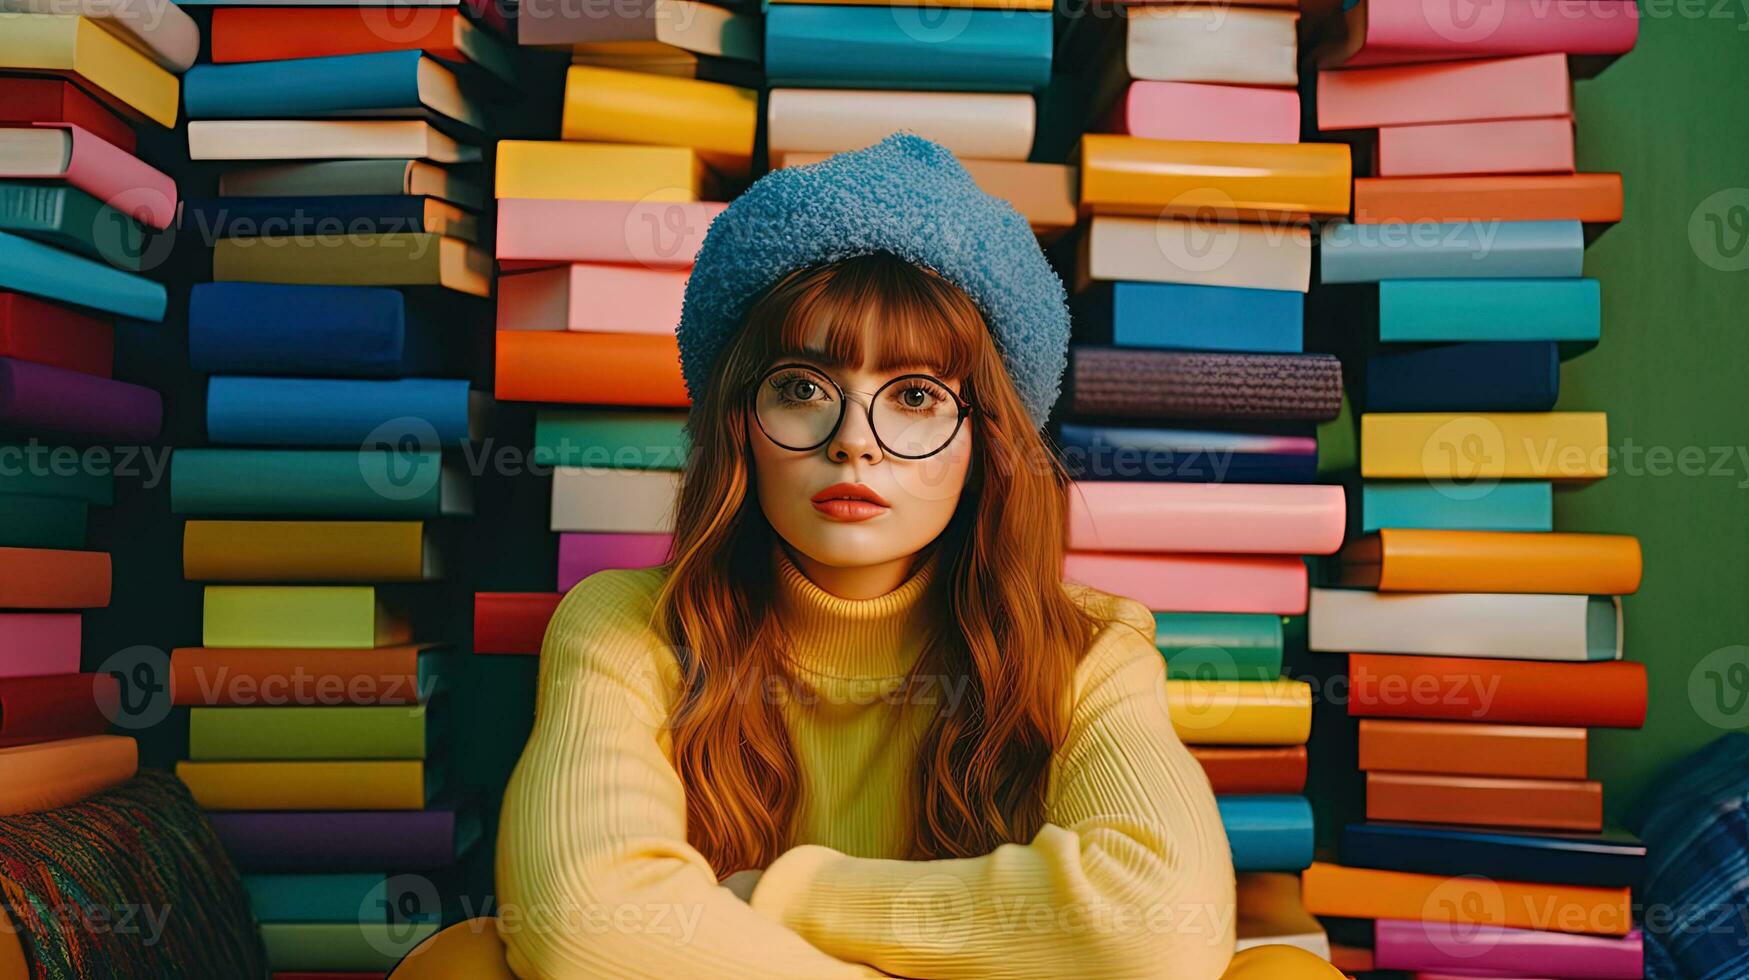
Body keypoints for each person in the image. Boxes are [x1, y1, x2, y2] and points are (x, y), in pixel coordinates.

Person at [493, 133, 1237, 979]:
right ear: (741, 424)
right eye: (802, 388)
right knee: (467, 961)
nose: (853, 443)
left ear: (983, 442)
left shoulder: (1090, 648)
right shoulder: (628, 625)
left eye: (915, 397)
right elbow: (584, 926)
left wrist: (775, 893)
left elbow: (1160, 931)